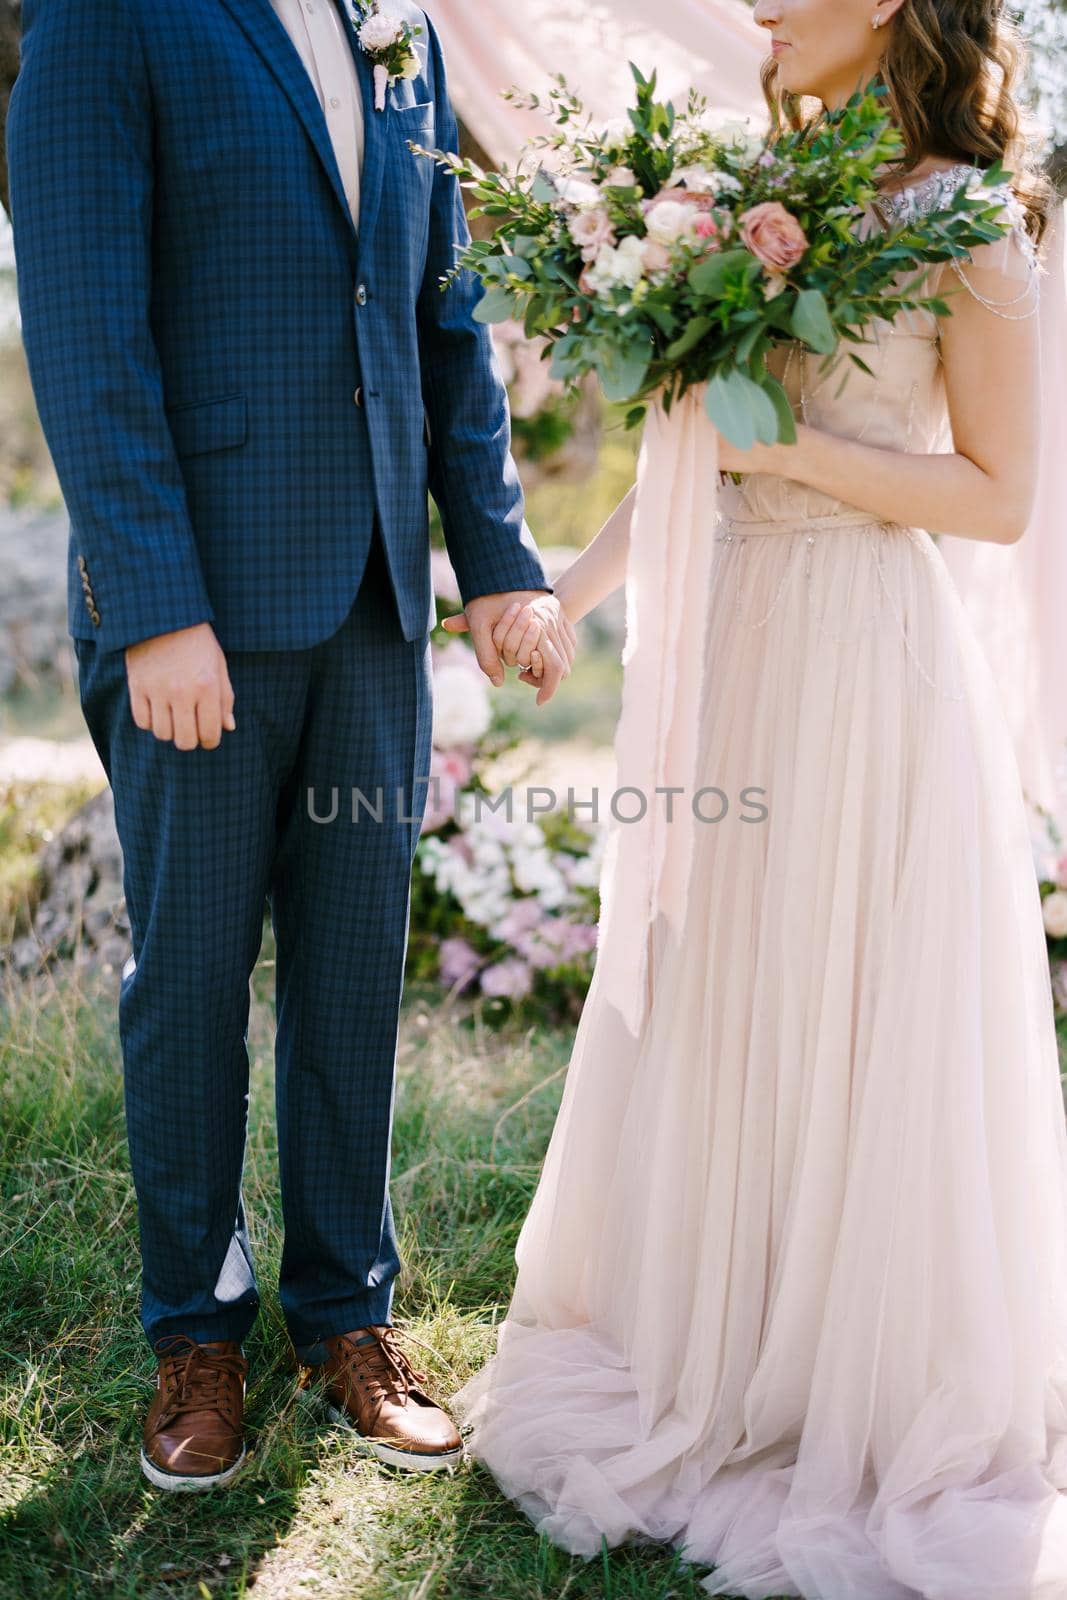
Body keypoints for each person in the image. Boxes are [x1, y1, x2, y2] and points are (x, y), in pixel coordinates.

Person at [451, 1, 1067, 1594]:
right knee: (730, 992)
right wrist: (568, 596)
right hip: (738, 659)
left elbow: (996, 497)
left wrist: (798, 456)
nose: (760, 11)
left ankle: (846, 1385)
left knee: (854, 1004)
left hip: (872, 659)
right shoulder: (743, 199)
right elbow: (687, 453)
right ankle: (717, 1356)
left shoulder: (970, 218)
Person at [5, 0, 576, 1489]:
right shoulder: (103, 19)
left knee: (347, 970)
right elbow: (83, 320)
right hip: (197, 606)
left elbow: (440, 312)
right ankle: (194, 1330)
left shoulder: (403, 28)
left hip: (379, 596)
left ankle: (347, 1319)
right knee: (189, 974)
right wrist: (151, 608)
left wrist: (499, 559)